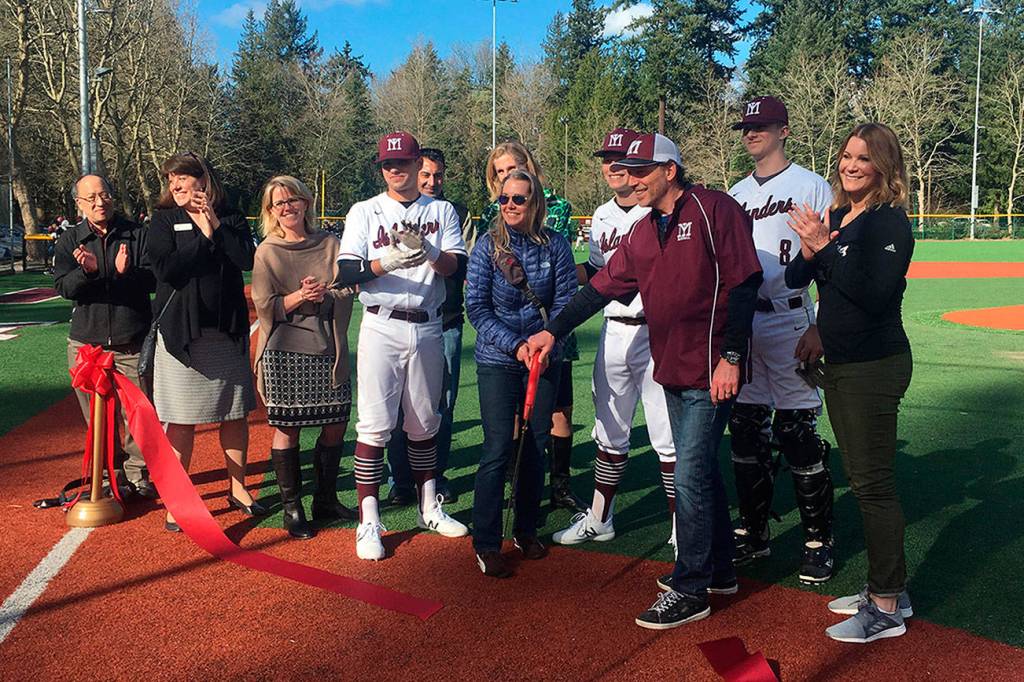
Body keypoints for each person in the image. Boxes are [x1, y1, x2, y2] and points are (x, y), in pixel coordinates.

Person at [528, 132, 762, 630]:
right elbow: (598, 290)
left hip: (711, 367)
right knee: (702, 472)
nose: (630, 179)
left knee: (691, 472)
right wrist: (552, 330)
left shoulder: (715, 209)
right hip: (671, 365)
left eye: (640, 171)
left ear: (669, 171)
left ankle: (690, 586)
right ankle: (718, 571)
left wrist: (733, 357)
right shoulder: (641, 231)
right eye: (627, 171)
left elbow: (745, 284)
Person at [786, 122, 915, 643]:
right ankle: (889, 589)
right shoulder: (837, 215)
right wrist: (812, 246)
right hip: (840, 363)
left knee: (872, 485)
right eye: (845, 156)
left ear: (884, 165)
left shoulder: (890, 222)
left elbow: (874, 294)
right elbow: (799, 280)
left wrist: (827, 248)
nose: (851, 165)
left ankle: (885, 606)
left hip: (874, 365)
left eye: (863, 157)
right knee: (865, 482)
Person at [335, 131, 469, 561]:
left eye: (404, 163)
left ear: (417, 164)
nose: (397, 170)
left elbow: (457, 267)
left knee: (425, 423)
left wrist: (428, 250)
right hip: (381, 325)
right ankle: (369, 519)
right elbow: (346, 271)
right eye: (389, 165)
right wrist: (387, 261)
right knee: (374, 426)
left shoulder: (442, 209)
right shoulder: (365, 210)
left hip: (428, 326)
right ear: (383, 169)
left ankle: (429, 507)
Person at [726, 96, 837, 583]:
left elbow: (831, 263)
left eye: (762, 126)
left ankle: (817, 539)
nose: (752, 133)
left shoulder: (812, 185)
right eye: (747, 127)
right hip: (746, 322)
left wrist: (820, 324)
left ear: (784, 130)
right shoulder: (734, 193)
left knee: (796, 432)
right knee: (747, 430)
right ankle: (754, 532)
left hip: (792, 319)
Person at [552, 128, 678, 548]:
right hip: (614, 330)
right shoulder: (602, 215)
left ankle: (683, 529)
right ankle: (600, 517)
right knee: (609, 429)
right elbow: (598, 272)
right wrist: (554, 272)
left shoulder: (658, 209)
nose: (611, 166)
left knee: (666, 436)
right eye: (606, 158)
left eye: (620, 158)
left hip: (657, 330)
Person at [466, 169, 577, 577]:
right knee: (498, 448)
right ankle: (486, 541)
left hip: (543, 358)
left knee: (535, 446)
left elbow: (566, 305)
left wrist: (546, 344)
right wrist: (515, 345)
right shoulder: (486, 248)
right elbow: (477, 308)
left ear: (536, 204)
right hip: (499, 360)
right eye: (504, 199)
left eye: (519, 200)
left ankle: (527, 529)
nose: (510, 206)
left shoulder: (556, 246)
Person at [146, 152, 264, 532]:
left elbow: (245, 259)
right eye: (171, 180)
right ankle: (178, 502)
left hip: (225, 331)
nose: (175, 186)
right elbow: (167, 270)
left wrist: (215, 224)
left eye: (181, 178)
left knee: (234, 413)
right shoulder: (163, 219)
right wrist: (203, 237)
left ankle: (238, 488)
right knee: (180, 421)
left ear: (204, 181)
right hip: (183, 335)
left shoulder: (229, 216)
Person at [479, 141, 586, 513]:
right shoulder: (491, 218)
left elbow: (556, 264)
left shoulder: (555, 206)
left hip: (551, 328)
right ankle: (517, 482)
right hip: (508, 338)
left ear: (528, 164)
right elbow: (480, 293)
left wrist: (551, 332)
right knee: (510, 419)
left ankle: (559, 485)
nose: (506, 177)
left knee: (557, 411)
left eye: (512, 167)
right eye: (499, 173)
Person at [251, 175, 357, 540]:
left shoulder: (330, 244)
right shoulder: (267, 250)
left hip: (328, 346)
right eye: (279, 203)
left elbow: (346, 291)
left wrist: (324, 296)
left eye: (293, 200)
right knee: (288, 428)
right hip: (285, 350)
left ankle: (325, 499)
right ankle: (292, 508)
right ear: (270, 211)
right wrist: (298, 297)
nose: (287, 208)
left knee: (336, 424)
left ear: (306, 202)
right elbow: (264, 304)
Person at [53, 175, 157, 499]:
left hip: (132, 341)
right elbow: (63, 288)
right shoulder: (70, 240)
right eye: (92, 198)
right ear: (79, 204)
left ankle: (139, 476)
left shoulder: (136, 234)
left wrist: (126, 274)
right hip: (87, 345)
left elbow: (154, 281)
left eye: (105, 194)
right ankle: (111, 475)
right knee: (98, 418)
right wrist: (88, 272)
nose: (101, 202)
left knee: (139, 414)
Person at [385, 147, 471, 507]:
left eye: (438, 175)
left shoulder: (454, 213)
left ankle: (434, 476)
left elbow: (462, 267)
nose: (432, 182)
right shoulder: (385, 210)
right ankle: (400, 480)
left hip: (444, 320)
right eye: (426, 175)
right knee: (398, 406)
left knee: (441, 406)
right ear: (414, 172)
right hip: (395, 321)